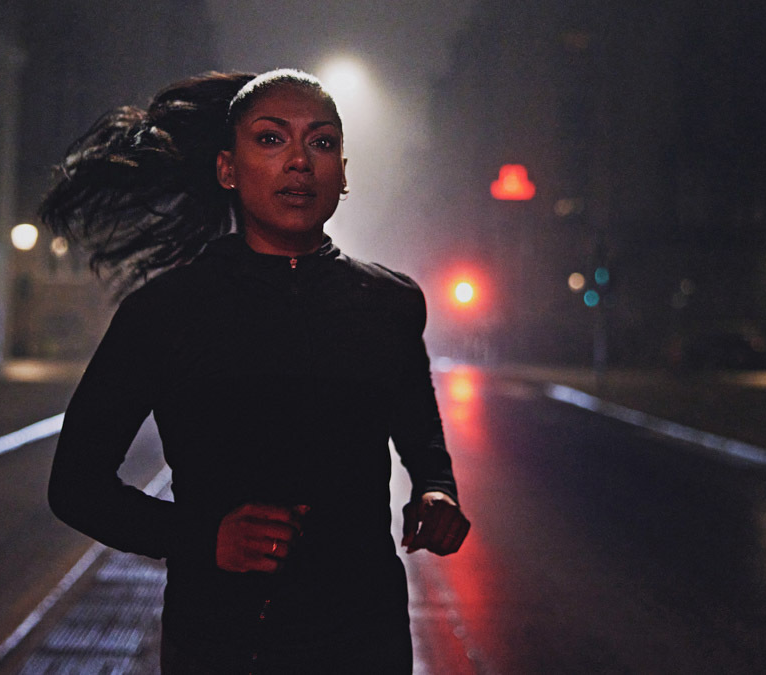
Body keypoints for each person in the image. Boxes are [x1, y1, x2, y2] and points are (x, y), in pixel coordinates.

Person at [43, 69, 470, 673]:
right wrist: (201, 537)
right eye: (271, 139)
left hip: (364, 638)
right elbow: (75, 486)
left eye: (321, 143)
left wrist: (437, 490)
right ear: (227, 169)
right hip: (222, 641)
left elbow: (419, 430)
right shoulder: (165, 312)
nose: (300, 161)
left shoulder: (390, 302)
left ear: (343, 173)